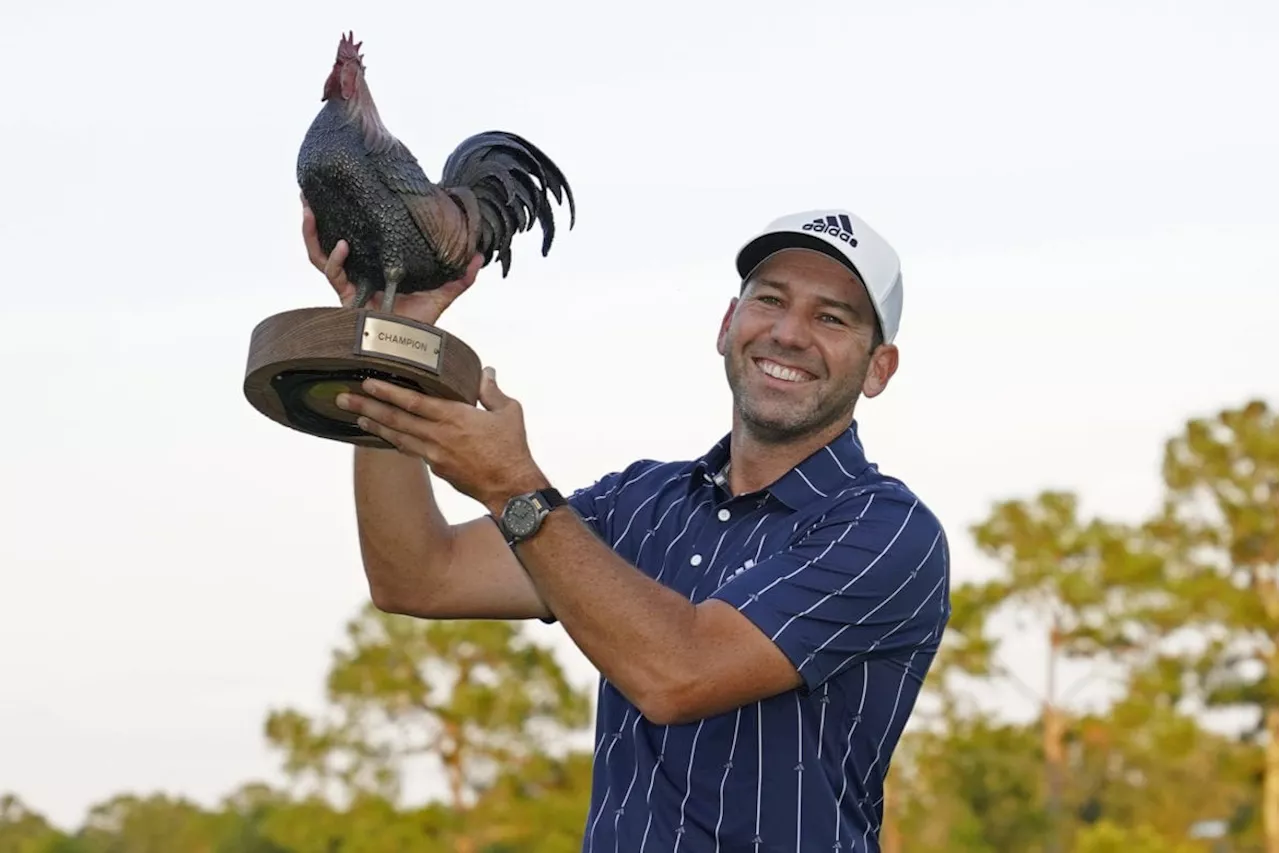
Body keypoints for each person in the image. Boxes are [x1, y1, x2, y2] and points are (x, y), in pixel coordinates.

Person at [301, 201, 952, 852]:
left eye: (831, 317)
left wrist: (511, 484)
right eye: (770, 299)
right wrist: (389, 341)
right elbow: (418, 575)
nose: (789, 332)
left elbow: (677, 673)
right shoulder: (640, 499)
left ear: (878, 368)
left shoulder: (887, 531)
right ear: (728, 325)